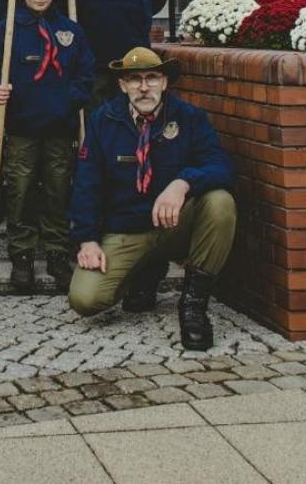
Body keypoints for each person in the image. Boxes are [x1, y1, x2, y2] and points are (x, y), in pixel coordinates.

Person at [67, 47, 236, 351]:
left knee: (220, 202)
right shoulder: (102, 121)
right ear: (122, 85)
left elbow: (221, 167)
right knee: (85, 299)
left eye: (152, 78)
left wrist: (183, 183)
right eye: (134, 79)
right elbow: (86, 184)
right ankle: (145, 273)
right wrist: (87, 240)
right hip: (126, 229)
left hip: (174, 225)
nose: (144, 87)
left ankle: (194, 305)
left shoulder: (189, 118)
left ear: (165, 82)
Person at [0, 0, 95, 291]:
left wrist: (66, 101)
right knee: (19, 192)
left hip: (60, 129)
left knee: (58, 191)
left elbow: (85, 74)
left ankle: (58, 254)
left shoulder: (70, 31)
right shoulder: (7, 29)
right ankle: (21, 256)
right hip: (21, 128)